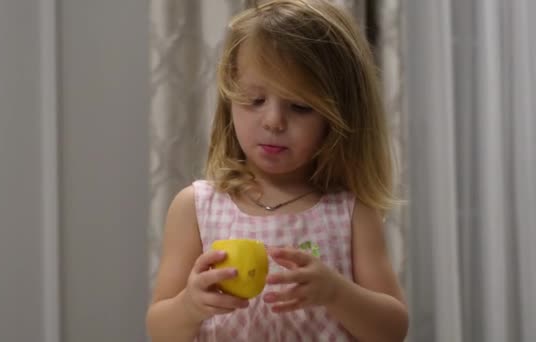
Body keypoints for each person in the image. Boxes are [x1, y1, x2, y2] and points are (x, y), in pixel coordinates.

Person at [146, 0, 408, 340]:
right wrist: (190, 305)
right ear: (229, 100)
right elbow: (159, 329)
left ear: (337, 117)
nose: (273, 121)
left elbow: (392, 330)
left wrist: (336, 293)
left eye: (300, 107)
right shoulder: (195, 207)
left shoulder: (351, 211)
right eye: (255, 100)